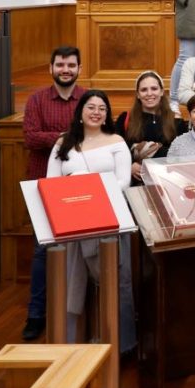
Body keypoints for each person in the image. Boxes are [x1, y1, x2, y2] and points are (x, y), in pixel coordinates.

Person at [46, 89, 137, 352]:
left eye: (102, 108)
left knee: (116, 281)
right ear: (81, 112)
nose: (96, 112)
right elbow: (51, 182)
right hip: (72, 224)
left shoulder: (116, 141)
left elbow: (123, 182)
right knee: (71, 282)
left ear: (107, 115)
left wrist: (88, 187)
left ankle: (120, 345)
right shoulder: (64, 142)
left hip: (109, 220)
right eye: (91, 107)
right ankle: (71, 344)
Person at [21, 46, 85, 341]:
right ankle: (36, 315)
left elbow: (93, 135)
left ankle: (77, 313)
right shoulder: (36, 100)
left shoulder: (87, 99)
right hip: (42, 184)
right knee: (42, 251)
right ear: (51, 68)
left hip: (79, 186)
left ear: (79, 69)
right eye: (60, 64)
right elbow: (30, 138)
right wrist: (65, 138)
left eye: (71, 65)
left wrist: (60, 140)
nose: (65, 70)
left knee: (80, 251)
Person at [113, 70, 181, 184]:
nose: (149, 93)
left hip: (166, 182)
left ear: (161, 91)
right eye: (144, 90)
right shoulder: (125, 119)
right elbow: (116, 151)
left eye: (154, 88)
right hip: (135, 184)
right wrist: (129, 166)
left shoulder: (176, 121)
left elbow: (180, 155)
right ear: (138, 94)